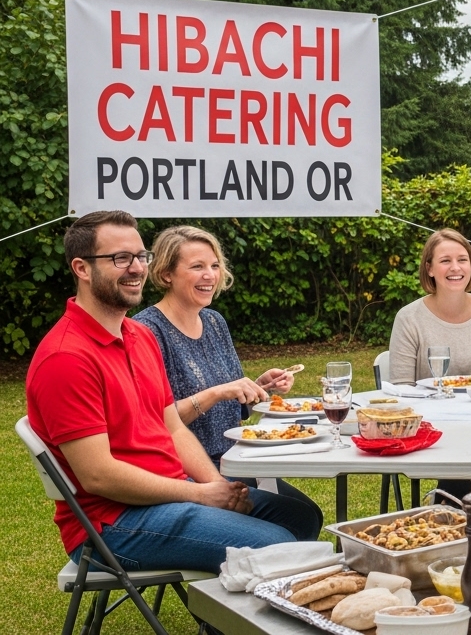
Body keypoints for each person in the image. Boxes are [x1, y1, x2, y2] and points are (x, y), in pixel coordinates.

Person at [25, 211, 322, 573]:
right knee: (277, 546)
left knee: (300, 516)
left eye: (140, 256)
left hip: (173, 492)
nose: (135, 268)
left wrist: (219, 489)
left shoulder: (139, 337)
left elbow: (173, 428)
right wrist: (199, 493)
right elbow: (98, 476)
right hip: (113, 524)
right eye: (120, 258)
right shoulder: (66, 357)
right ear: (82, 269)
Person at [133, 226, 321, 520]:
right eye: (197, 266)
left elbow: (234, 407)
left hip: (237, 459)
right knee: (297, 518)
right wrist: (217, 392)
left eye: (215, 265)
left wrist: (260, 387)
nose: (210, 275)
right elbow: (152, 424)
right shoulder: (146, 331)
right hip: (187, 472)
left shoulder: (214, 322)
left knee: (306, 514)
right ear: (166, 273)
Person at [388, 228, 471, 512]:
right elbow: (400, 389)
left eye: (463, 259)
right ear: (429, 268)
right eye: (445, 260)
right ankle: (449, 529)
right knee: (459, 471)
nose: (456, 268)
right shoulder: (409, 318)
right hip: (433, 425)